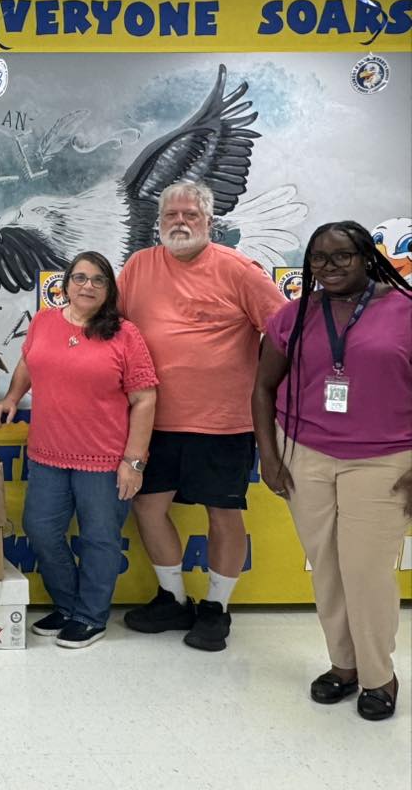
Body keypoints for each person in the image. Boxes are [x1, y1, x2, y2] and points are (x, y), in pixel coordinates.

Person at [252, 221, 412, 721]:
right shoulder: (292, 316)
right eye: (319, 258)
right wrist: (271, 456)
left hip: (384, 459)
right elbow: (262, 389)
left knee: (365, 571)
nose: (329, 267)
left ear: (367, 256)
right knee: (326, 568)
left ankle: (378, 674)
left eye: (342, 256)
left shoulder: (405, 311)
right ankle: (343, 666)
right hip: (305, 455)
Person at [118, 180, 285, 651]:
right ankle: (173, 600)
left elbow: (283, 329)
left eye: (190, 214)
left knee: (224, 515)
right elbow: (117, 331)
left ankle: (216, 608)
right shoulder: (138, 266)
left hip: (224, 422)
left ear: (209, 221)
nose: (180, 222)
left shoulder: (240, 270)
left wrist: (264, 388)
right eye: (171, 215)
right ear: (159, 222)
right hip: (154, 420)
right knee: (148, 509)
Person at [0, 251, 158, 649]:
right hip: (48, 454)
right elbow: (29, 363)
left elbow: (145, 399)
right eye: (80, 278)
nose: (88, 286)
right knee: (42, 530)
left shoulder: (124, 334)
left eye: (98, 280)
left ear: (109, 289)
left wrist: (133, 461)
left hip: (103, 459)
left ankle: (90, 616)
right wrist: (13, 397)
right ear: (65, 284)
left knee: (100, 538)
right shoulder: (45, 322)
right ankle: (67, 606)